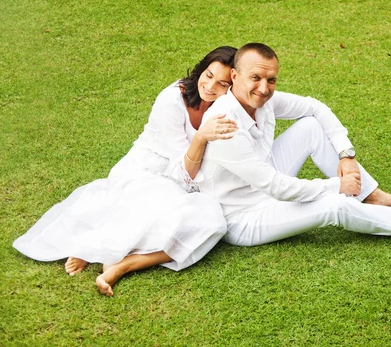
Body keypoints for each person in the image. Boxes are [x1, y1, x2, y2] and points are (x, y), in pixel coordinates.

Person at [197, 43, 391, 247]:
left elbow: (314, 107)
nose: (264, 88)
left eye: (271, 80)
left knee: (309, 126)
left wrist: (346, 155)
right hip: (244, 216)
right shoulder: (224, 123)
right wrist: (335, 186)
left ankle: (371, 194)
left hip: (262, 180)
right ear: (235, 77)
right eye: (255, 78)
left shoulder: (263, 99)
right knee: (335, 206)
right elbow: (275, 187)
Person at [13, 46, 239, 296]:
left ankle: (125, 263)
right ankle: (97, 246)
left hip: (189, 181)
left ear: (232, 86)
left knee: (213, 222)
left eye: (221, 83)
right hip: (148, 170)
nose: (209, 86)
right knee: (154, 206)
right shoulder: (172, 99)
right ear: (200, 69)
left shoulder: (225, 106)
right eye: (208, 75)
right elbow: (183, 166)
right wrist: (201, 138)